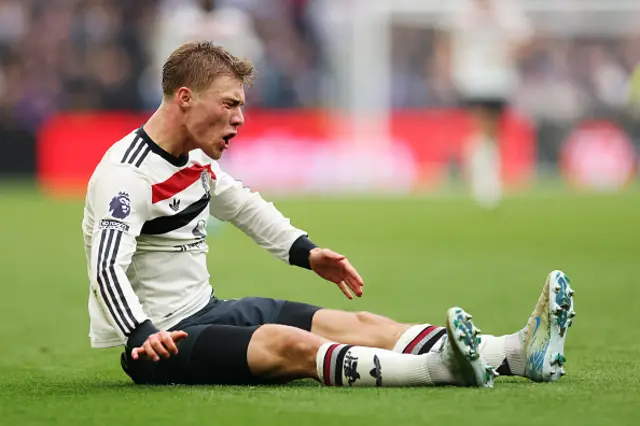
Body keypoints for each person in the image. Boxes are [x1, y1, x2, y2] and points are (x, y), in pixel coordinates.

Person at [82, 41, 575, 388]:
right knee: (286, 342)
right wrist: (142, 333)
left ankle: (513, 352)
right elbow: (107, 267)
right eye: (230, 104)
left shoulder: (196, 159)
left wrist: (308, 252)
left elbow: (247, 208)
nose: (240, 119)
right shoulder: (126, 176)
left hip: (210, 310)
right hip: (161, 344)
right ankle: (442, 368)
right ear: (185, 99)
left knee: (353, 320)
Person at [438, 0, 533, 208]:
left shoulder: (506, 10)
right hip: (471, 77)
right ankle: (484, 182)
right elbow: (446, 38)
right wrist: (447, 66)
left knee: (493, 130)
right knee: (480, 125)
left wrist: (508, 51)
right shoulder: (461, 9)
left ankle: (484, 172)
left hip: (499, 78)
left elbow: (525, 39)